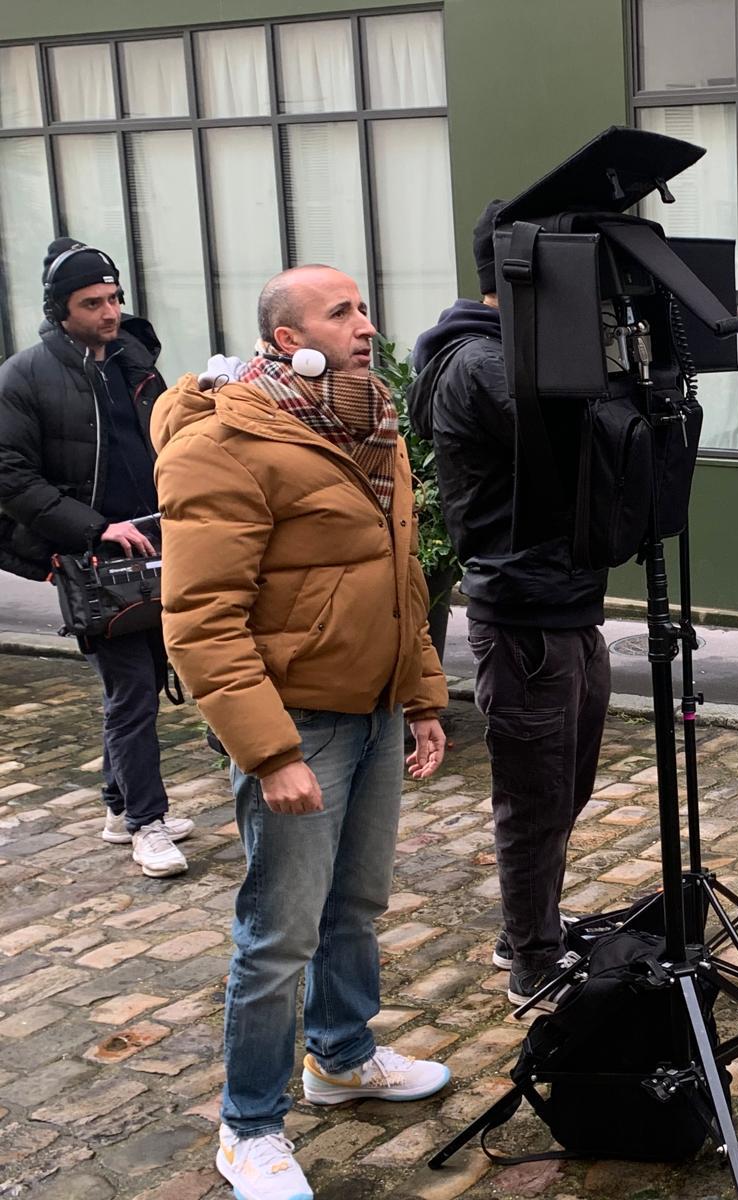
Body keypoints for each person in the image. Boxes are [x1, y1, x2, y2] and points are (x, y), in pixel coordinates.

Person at [152, 265, 452, 1200]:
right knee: (279, 935)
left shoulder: (370, 427)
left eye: (363, 307)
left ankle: (342, 1056)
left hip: (374, 711)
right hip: (299, 724)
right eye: (341, 312)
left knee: (355, 906)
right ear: (289, 340)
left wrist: (422, 694)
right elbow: (201, 620)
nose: (366, 325)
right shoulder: (224, 443)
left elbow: (401, 580)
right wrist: (271, 751)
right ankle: (248, 1126)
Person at [410, 199, 611, 1010]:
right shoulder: (483, 364)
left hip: (565, 606)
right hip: (525, 619)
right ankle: (532, 960)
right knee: (534, 803)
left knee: (565, 791)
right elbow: (588, 445)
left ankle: (531, 929)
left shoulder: (515, 355)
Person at [0, 237, 191, 877]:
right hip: (91, 559)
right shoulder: (24, 376)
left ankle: (119, 806)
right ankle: (146, 823)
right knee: (131, 692)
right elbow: (9, 476)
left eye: (114, 298)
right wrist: (94, 528)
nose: (109, 312)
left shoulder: (136, 360)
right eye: (92, 303)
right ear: (59, 309)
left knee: (148, 680)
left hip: (159, 544)